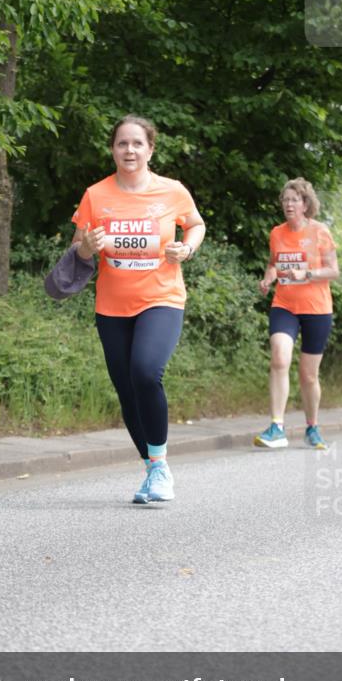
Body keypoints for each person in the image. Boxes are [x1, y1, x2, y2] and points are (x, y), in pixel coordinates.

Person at [71, 115, 205, 504]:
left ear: (150, 149)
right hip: (112, 305)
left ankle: (161, 468)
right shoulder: (96, 195)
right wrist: (87, 247)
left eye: (137, 143)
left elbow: (195, 224)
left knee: (145, 372)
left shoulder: (172, 191)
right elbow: (78, 247)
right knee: (127, 389)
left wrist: (186, 248)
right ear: (113, 150)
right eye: (122, 143)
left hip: (162, 298)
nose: (129, 150)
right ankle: (152, 468)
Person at [254, 178, 339, 450]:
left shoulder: (320, 232)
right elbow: (273, 264)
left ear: (305, 204)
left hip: (317, 309)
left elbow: (333, 270)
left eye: (295, 200)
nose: (289, 204)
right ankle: (276, 427)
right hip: (285, 305)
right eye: (285, 200)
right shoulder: (277, 233)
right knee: (280, 358)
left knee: (308, 375)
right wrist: (268, 279)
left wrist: (307, 274)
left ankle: (312, 427)